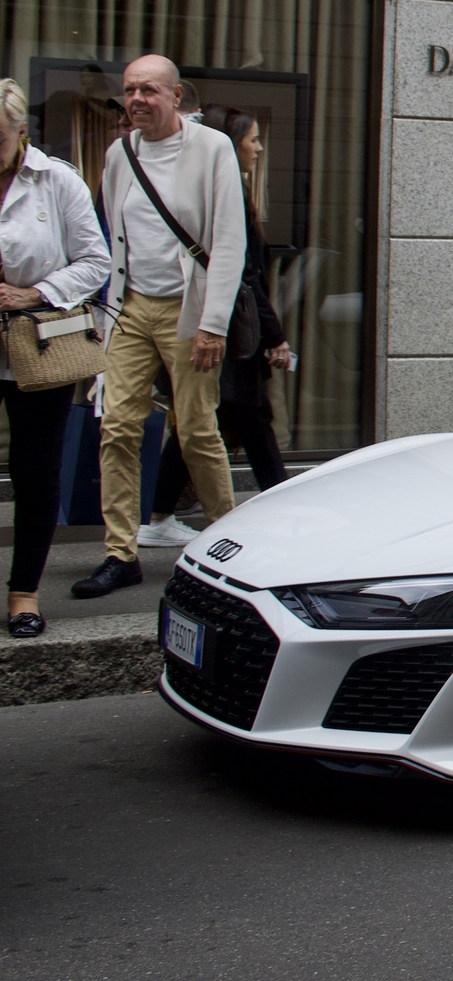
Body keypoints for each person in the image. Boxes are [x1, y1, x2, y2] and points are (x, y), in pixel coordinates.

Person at [76, 55, 248, 601]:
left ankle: (232, 540)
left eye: (149, 89)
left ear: (176, 96)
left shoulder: (211, 149)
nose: (137, 99)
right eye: (130, 90)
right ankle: (118, 553)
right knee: (118, 427)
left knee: (196, 428)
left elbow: (228, 241)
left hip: (188, 310)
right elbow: (113, 239)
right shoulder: (119, 154)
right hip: (131, 309)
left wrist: (213, 325)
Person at [139, 106, 296, 546]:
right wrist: (275, 335)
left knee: (207, 422)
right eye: (253, 139)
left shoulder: (237, 194)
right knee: (249, 420)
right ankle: (278, 512)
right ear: (231, 145)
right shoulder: (230, 200)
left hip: (224, 323)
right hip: (224, 327)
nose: (259, 148)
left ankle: (157, 515)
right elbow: (245, 278)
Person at [0, 79, 110, 637]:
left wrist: (35, 292)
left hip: (37, 346)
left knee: (35, 472)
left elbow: (96, 262)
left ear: (21, 131)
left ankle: (24, 594)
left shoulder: (56, 180)